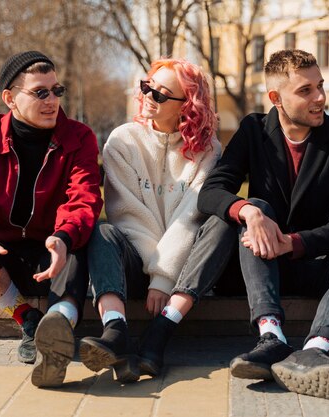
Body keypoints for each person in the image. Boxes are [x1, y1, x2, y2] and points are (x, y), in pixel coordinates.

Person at [167, 49, 329, 402]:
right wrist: (248, 212)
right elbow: (212, 192)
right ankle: (271, 336)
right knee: (256, 206)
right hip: (256, 263)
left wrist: (292, 242)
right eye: (306, 91)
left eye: (320, 86)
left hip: (311, 261)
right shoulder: (254, 130)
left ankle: (316, 349)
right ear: (276, 98)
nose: (320, 97)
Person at [0, 51, 103, 388]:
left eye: (57, 90)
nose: (52, 100)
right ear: (10, 98)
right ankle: (27, 319)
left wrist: (64, 236)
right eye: (40, 92)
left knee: (81, 238)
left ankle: (55, 334)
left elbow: (84, 197)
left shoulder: (79, 137)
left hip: (51, 256)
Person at [77, 58, 221, 383]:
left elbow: (192, 216)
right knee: (103, 230)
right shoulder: (123, 140)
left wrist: (165, 277)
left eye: (161, 94)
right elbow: (127, 214)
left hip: (183, 272)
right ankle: (115, 331)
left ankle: (154, 339)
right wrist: (155, 273)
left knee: (218, 225)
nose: (148, 97)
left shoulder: (208, 150)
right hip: (133, 263)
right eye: (147, 87)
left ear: (188, 105)